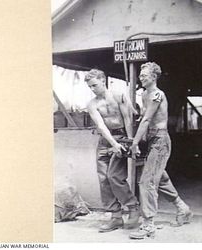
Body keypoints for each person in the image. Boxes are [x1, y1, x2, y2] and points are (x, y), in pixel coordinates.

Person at [129, 62, 192, 239]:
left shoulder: (157, 94)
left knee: (146, 181)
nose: (141, 77)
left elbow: (147, 119)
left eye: (144, 75)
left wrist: (134, 143)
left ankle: (148, 224)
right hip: (151, 141)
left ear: (154, 77)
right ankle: (183, 209)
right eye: (140, 75)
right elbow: (143, 116)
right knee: (161, 178)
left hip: (160, 141)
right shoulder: (144, 94)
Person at [85, 69, 139, 233]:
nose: (92, 89)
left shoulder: (119, 96)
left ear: (103, 80)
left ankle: (132, 207)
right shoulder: (92, 104)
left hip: (122, 137)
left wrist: (131, 143)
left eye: (94, 85)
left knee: (114, 176)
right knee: (103, 179)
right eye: (90, 87)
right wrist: (112, 143)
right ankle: (115, 217)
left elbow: (128, 119)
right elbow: (101, 126)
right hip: (105, 140)